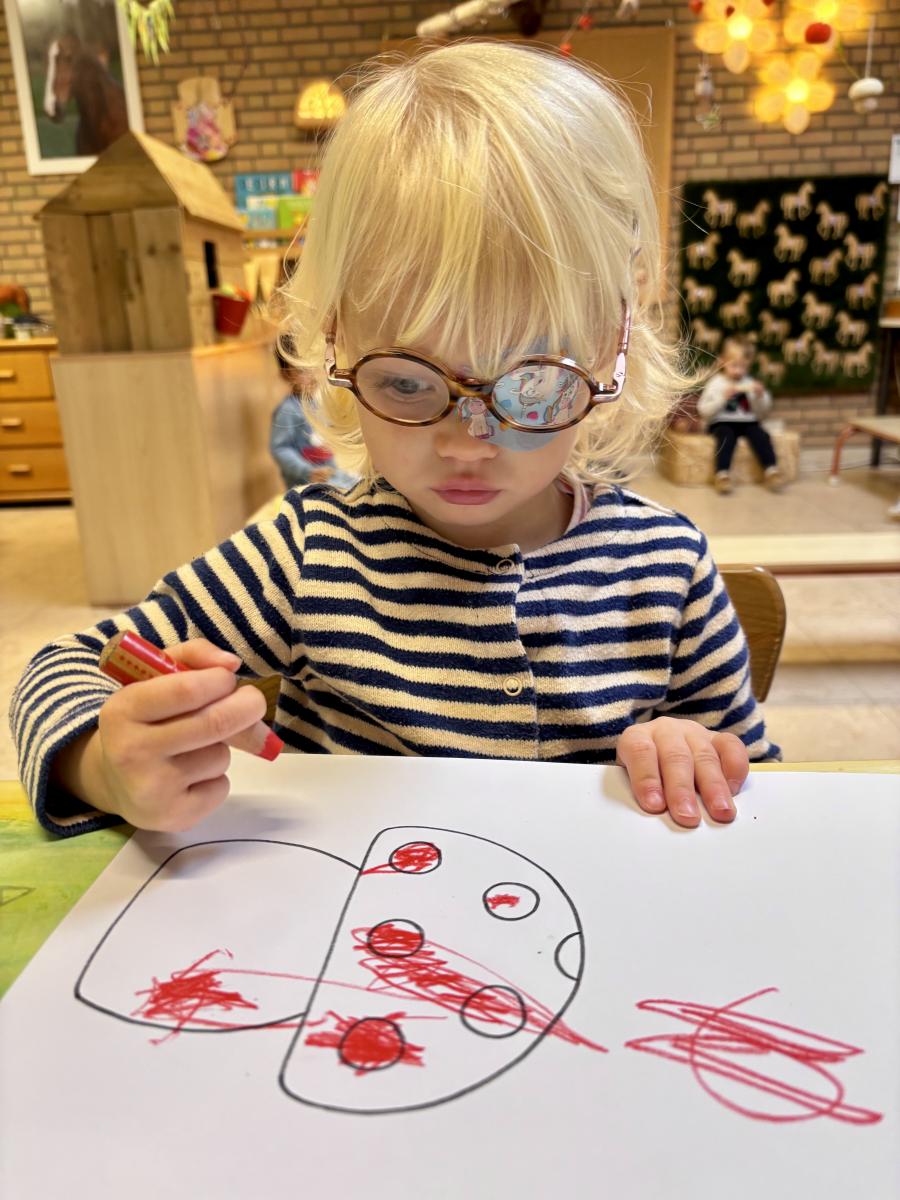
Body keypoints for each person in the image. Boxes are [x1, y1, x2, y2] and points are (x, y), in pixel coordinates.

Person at [10, 42, 779, 841]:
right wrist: (102, 764)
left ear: (611, 351)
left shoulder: (667, 566)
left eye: (533, 384)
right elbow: (63, 667)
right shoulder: (310, 553)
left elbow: (761, 786)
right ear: (337, 346)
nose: (467, 445)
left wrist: (698, 752)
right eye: (408, 383)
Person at [696, 336, 784, 495]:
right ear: (723, 361)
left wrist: (760, 396)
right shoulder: (715, 383)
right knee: (726, 436)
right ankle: (722, 474)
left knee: (761, 435)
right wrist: (722, 398)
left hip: (747, 421)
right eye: (734, 366)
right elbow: (703, 410)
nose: (738, 371)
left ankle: (771, 470)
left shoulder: (749, 382)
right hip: (721, 422)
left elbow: (763, 411)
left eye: (743, 367)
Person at [270, 342, 357, 491]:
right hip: (306, 484)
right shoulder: (288, 410)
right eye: (302, 370)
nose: (311, 375)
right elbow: (281, 449)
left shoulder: (315, 404)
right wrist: (307, 471)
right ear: (286, 375)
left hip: (331, 475)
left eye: (313, 366)